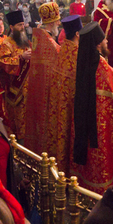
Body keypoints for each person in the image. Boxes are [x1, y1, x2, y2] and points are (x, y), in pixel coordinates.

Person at [71, 22, 113, 194]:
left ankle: (87, 184)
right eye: (105, 39)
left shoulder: (82, 61)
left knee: (90, 151)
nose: (107, 42)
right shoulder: (101, 64)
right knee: (104, 150)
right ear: (98, 43)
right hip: (102, 120)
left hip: (84, 116)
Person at [24, 2, 61, 155]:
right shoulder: (50, 42)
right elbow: (60, 61)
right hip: (48, 90)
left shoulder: (38, 36)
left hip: (38, 87)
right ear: (52, 23)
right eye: (58, 21)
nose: (59, 23)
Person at [48, 15, 82, 175]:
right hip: (73, 108)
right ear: (77, 34)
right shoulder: (77, 55)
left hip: (58, 106)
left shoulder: (62, 51)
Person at [0, 11, 31, 139]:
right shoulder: (7, 44)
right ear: (11, 27)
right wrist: (20, 57)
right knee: (18, 121)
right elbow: (4, 63)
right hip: (15, 90)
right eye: (19, 25)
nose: (22, 27)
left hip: (28, 90)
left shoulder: (24, 41)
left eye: (23, 24)